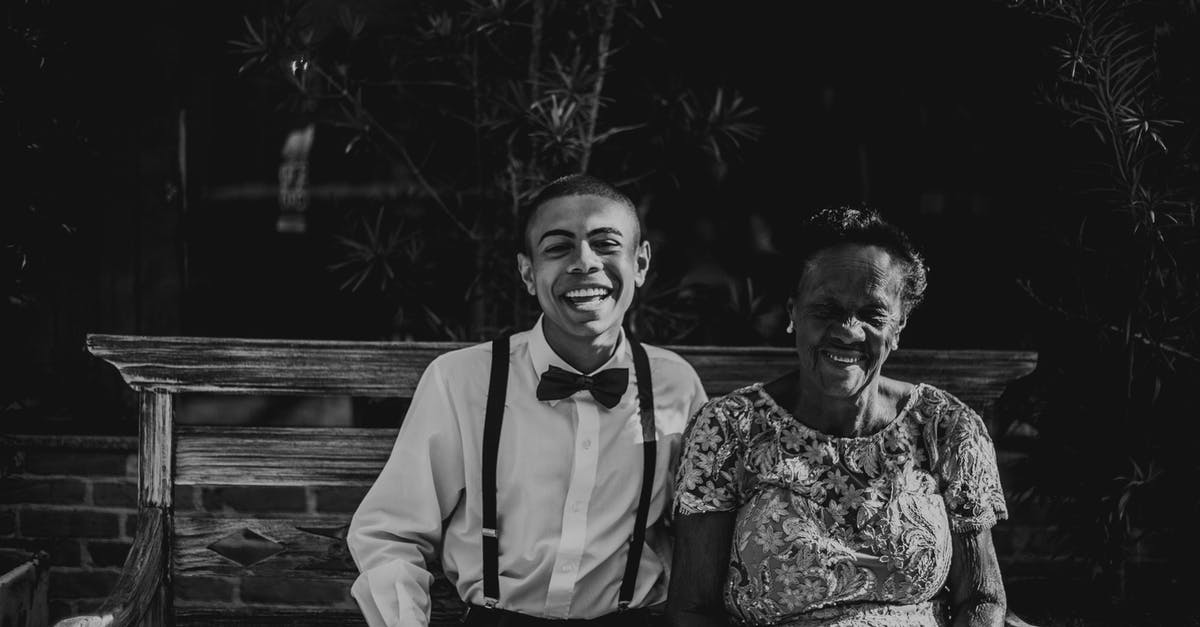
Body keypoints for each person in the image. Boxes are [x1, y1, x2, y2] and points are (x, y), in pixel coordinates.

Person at [348, 174, 709, 627]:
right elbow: (389, 533)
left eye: (605, 243)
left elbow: (701, 535)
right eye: (558, 247)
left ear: (640, 263)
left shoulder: (675, 384)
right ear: (526, 272)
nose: (584, 262)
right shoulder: (460, 381)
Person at [667, 207, 1008, 627]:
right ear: (793, 312)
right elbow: (692, 609)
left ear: (899, 325)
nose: (848, 330)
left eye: (873, 315)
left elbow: (981, 598)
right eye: (827, 310)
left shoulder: (946, 427)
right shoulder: (728, 428)